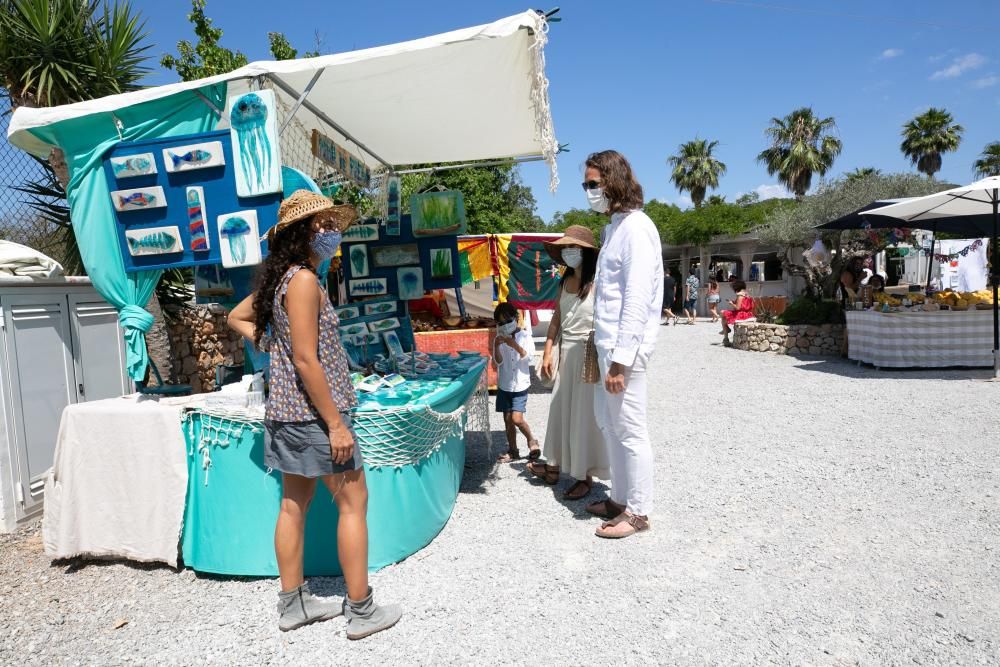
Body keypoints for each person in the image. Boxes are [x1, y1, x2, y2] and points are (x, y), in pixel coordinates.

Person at [227, 190, 401, 638]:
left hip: (287, 413)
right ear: (301, 232)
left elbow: (238, 317)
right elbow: (306, 359)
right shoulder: (302, 281)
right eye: (322, 225)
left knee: (293, 504)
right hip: (314, 417)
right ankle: (361, 609)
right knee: (353, 502)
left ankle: (294, 603)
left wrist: (270, 344)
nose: (331, 232)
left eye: (330, 224)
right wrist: (336, 423)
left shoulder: (282, 279)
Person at [581, 150, 662, 539]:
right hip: (607, 346)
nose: (588, 191)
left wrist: (621, 362)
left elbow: (636, 297)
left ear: (613, 182)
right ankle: (620, 497)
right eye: (586, 184)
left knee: (630, 428)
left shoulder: (637, 228)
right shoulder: (614, 228)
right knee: (609, 425)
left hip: (623, 353)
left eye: (593, 184)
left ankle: (641, 512)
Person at [529, 225, 609, 499]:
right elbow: (556, 320)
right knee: (559, 408)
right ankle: (554, 466)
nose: (568, 253)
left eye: (573, 248)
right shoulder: (564, 283)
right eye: (565, 249)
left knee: (583, 414)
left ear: (586, 252)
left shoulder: (599, 283)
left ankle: (584, 475)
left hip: (589, 354)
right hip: (566, 354)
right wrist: (548, 350)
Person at [492, 302, 540, 462]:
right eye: (500, 323)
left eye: (507, 321)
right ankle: (513, 451)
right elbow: (498, 362)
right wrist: (498, 347)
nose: (504, 325)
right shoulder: (497, 339)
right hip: (505, 385)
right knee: (507, 420)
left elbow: (529, 358)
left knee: (516, 418)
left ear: (515, 318)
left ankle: (531, 440)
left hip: (520, 384)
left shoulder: (525, 336)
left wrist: (515, 345)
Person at [720, 279, 755, 347]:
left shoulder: (740, 296)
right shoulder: (747, 294)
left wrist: (731, 303)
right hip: (747, 314)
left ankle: (726, 337)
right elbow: (746, 305)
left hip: (740, 314)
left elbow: (738, 308)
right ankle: (726, 332)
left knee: (722, 313)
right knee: (724, 319)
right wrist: (734, 302)